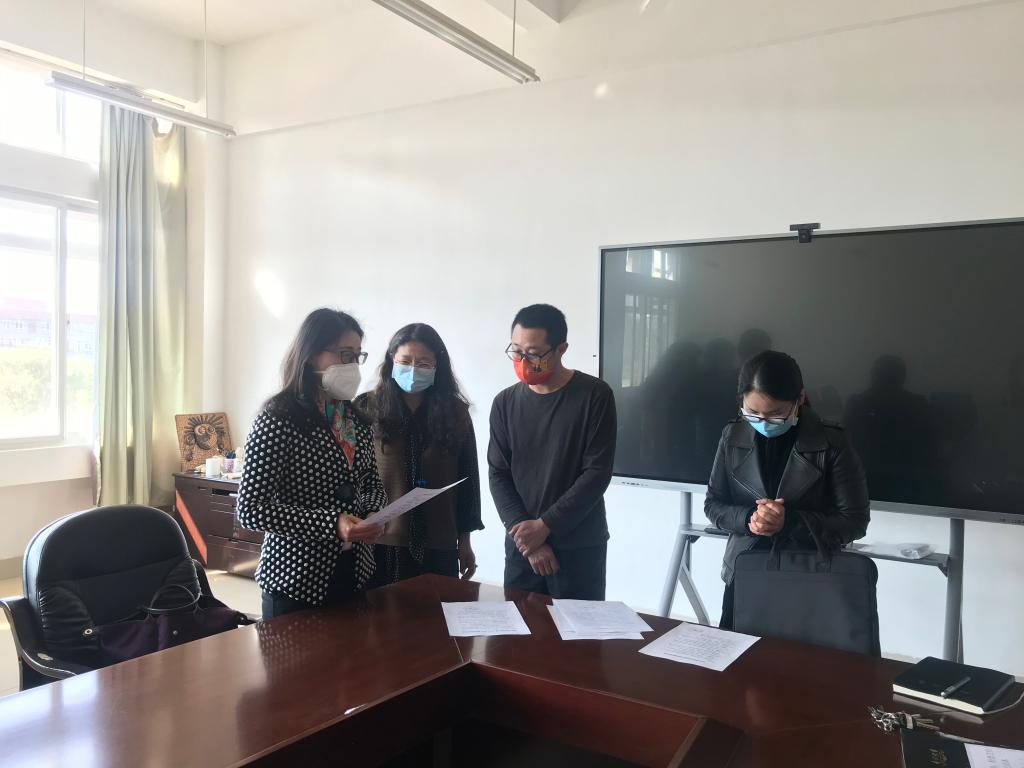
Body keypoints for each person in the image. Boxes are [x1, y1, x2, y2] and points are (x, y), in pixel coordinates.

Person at [237, 308, 387, 619]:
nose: (353, 365)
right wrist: (332, 523)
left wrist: (375, 512)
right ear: (310, 355)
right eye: (345, 355)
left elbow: (371, 481)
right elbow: (251, 509)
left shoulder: (354, 418)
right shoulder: (277, 419)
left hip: (355, 572)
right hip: (296, 582)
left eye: (357, 356)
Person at [705, 350, 870, 629]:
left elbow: (854, 521)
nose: (763, 422)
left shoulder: (832, 443)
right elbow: (713, 504)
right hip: (744, 571)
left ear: (799, 399)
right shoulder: (732, 435)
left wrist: (788, 521)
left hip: (810, 575)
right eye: (752, 412)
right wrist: (750, 519)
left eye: (776, 414)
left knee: (797, 656)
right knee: (737, 653)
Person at [488, 304, 617, 600]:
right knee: (519, 627)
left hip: (578, 547)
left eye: (533, 354)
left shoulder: (595, 396)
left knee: (579, 629)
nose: (523, 361)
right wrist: (528, 538)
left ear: (561, 349)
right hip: (521, 545)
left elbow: (597, 474)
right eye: (516, 351)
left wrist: (545, 527)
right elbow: (498, 474)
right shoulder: (504, 403)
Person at [354, 323, 482, 584]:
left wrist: (465, 541)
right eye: (405, 361)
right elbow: (354, 474)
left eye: (424, 363)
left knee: (435, 609)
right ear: (392, 360)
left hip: (439, 543)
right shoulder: (366, 407)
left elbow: (468, 481)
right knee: (380, 609)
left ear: (437, 365)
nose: (413, 370)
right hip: (380, 542)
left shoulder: (456, 413)